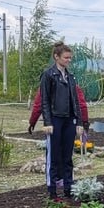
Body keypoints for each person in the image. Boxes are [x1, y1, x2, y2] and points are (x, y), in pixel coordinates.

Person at [38, 41, 86, 199]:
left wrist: (79, 122)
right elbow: (44, 100)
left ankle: (68, 187)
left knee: (67, 155)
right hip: (55, 119)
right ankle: (52, 189)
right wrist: (47, 122)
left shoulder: (71, 77)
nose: (68, 60)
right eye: (66, 57)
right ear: (56, 57)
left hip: (69, 120)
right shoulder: (48, 75)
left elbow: (76, 101)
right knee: (53, 155)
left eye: (70, 58)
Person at [28, 83, 90, 195]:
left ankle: (52, 189)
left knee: (52, 156)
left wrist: (32, 122)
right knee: (67, 156)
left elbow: (39, 105)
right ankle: (67, 186)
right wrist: (84, 122)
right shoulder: (72, 84)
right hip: (69, 123)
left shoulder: (47, 85)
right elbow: (81, 104)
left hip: (53, 123)